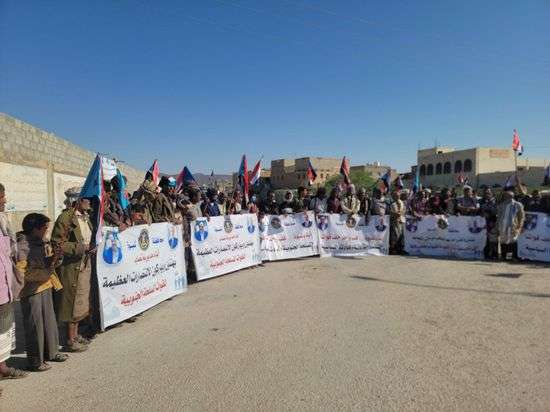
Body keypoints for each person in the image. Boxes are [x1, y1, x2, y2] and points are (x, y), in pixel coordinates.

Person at [16, 213, 68, 371]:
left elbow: (50, 263)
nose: (47, 231)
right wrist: (44, 271)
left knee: (49, 322)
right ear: (34, 229)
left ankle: (52, 352)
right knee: (35, 325)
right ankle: (35, 360)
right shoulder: (22, 246)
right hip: (31, 290)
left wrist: (57, 257)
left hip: (46, 285)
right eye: (45, 228)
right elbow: (22, 272)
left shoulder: (43, 242)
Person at [51, 191, 94, 352]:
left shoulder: (85, 217)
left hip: (83, 264)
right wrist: (82, 248)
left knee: (81, 301)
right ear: (78, 200)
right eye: (86, 199)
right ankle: (70, 339)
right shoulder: (66, 218)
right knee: (71, 302)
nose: (89, 202)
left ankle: (75, 335)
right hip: (71, 267)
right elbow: (57, 244)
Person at [0, 183, 27, 380]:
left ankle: (3, 366)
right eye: (2, 197)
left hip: (5, 287)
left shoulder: (3, 222)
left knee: (5, 329)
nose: (5, 200)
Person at [496, 190, 525, 261]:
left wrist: (519, 227)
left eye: (506, 196)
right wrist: (497, 226)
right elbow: (499, 216)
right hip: (502, 226)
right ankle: (504, 256)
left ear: (511, 196)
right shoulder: (502, 205)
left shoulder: (518, 205)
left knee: (511, 242)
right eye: (504, 196)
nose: (504, 197)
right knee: (503, 241)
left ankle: (512, 257)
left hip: (512, 226)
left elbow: (521, 217)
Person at [480, 188, 498, 259]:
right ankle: (486, 254)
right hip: (483, 223)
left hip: (492, 222)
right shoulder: (481, 201)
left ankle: (494, 254)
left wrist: (490, 216)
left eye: (488, 193)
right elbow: (479, 210)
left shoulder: (495, 202)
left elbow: (496, 211)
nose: (487, 195)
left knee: (493, 240)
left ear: (492, 194)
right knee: (485, 239)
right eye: (485, 193)